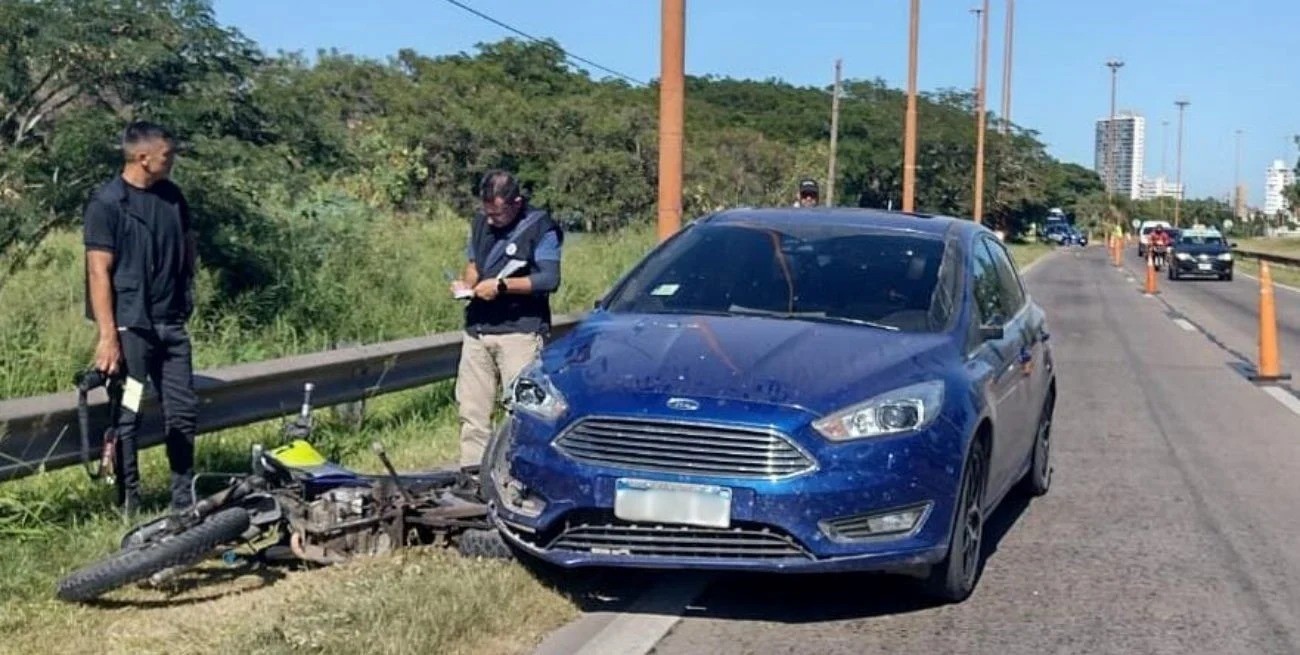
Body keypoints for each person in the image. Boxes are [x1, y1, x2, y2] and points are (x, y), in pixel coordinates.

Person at [83, 120, 199, 515]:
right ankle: (130, 504)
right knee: (128, 413)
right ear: (142, 157)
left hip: (171, 328)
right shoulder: (107, 203)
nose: (172, 160)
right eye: (167, 155)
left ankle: (184, 501)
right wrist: (108, 336)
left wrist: (188, 287)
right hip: (131, 330)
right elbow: (98, 271)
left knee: (182, 412)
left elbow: (187, 245)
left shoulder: (172, 197)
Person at [450, 169, 563, 484]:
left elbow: (549, 279)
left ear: (515, 203)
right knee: (472, 410)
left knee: (522, 413)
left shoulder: (541, 229)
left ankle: (518, 478)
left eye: (497, 214)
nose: (491, 220)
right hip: (478, 330)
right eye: (487, 212)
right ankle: (472, 478)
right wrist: (467, 284)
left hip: (520, 332)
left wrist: (501, 287)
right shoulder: (480, 224)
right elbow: (474, 264)